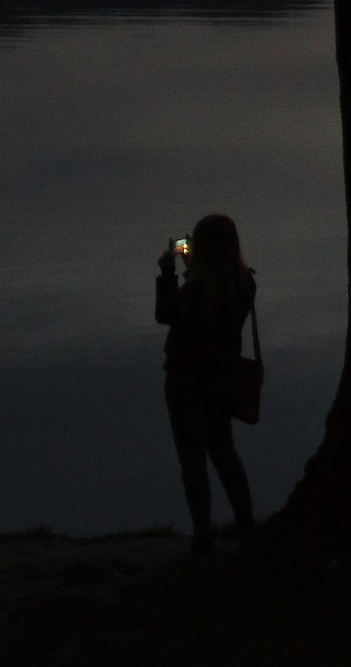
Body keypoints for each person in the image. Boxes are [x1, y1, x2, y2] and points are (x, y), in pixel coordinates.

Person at [155, 213, 256, 553]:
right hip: (222, 379)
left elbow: (166, 314)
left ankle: (203, 535)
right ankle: (247, 526)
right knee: (224, 452)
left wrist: (169, 271)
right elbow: (213, 305)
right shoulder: (245, 282)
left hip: (185, 380)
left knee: (192, 459)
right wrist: (191, 269)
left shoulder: (195, 288)